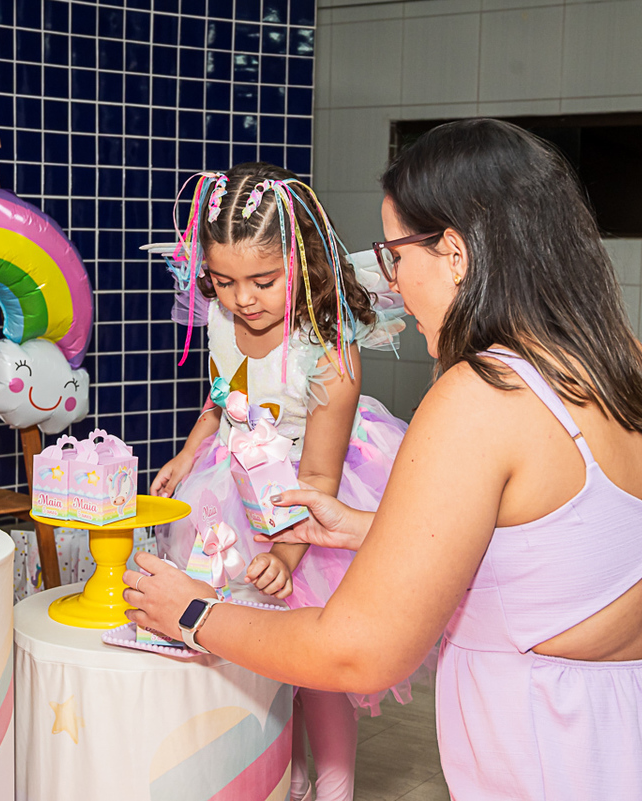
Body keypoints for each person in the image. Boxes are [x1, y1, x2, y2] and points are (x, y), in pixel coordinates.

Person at [126, 119, 642, 800]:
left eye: (397, 256)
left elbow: (358, 649)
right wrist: (356, 526)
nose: (393, 285)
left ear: (457, 254)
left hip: (568, 767)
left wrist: (194, 611)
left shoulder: (481, 396)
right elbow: (566, 550)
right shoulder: (640, 367)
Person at [147, 161, 412, 801]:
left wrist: (287, 555)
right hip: (232, 490)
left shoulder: (328, 349)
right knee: (259, 658)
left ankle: (334, 788)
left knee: (314, 663)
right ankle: (281, 777)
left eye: (264, 281)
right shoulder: (220, 317)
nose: (243, 299)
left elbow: (320, 475)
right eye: (224, 281)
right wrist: (190, 453)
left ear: (301, 263)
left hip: (311, 502)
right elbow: (220, 398)